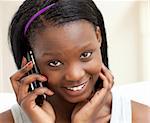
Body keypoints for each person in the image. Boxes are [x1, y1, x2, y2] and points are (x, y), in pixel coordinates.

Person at [0, 0, 149, 123]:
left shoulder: (141, 118)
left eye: (85, 54)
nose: (75, 75)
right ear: (29, 62)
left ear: (98, 37)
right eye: (55, 63)